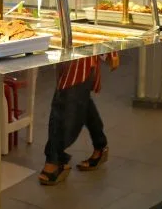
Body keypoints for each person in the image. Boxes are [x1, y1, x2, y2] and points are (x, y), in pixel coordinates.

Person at [38, 53, 118, 186]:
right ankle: (100, 146)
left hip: (81, 60)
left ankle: (54, 161)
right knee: (80, 101)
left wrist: (111, 53)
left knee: (65, 106)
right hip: (70, 57)